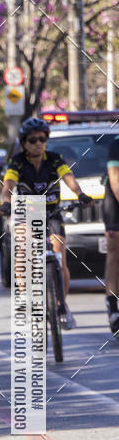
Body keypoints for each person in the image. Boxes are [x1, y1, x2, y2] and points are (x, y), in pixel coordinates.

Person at [0, 116, 92, 329]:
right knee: (23, 251)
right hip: (27, 214)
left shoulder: (54, 159)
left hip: (52, 213)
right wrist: (5, 202)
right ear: (24, 143)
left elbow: (68, 177)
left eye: (42, 139)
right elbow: (9, 184)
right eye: (32, 140)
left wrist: (80, 194)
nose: (38, 143)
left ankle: (62, 305)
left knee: (60, 257)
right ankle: (25, 299)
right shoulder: (18, 162)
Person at [103, 135, 119, 336]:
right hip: (115, 202)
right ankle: (112, 306)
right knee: (114, 253)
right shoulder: (116, 145)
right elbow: (115, 181)